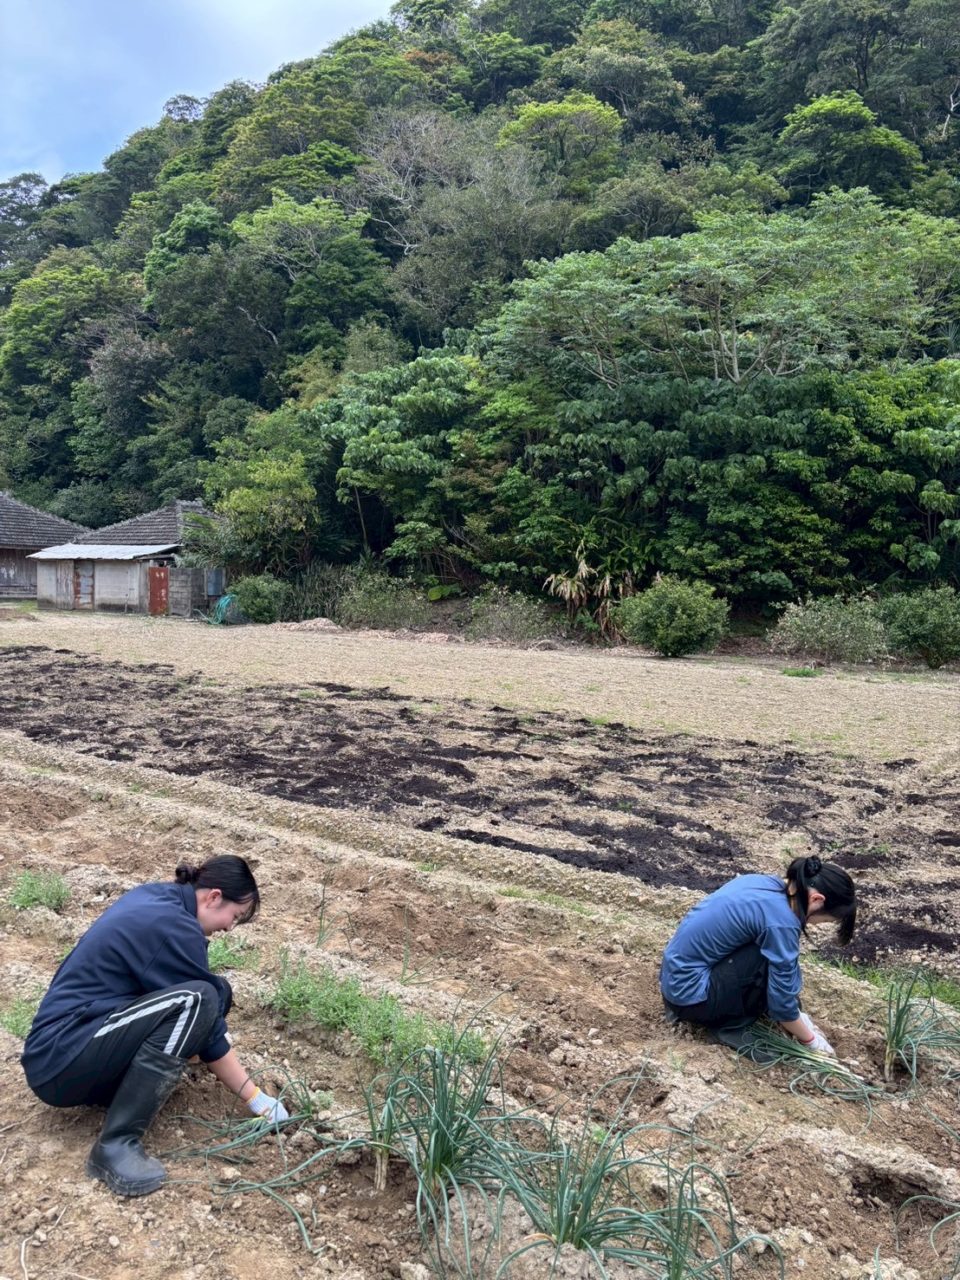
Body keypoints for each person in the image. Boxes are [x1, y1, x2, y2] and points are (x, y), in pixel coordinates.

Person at [22, 855, 289, 1197]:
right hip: (63, 1055)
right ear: (213, 896)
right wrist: (255, 1098)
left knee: (203, 998)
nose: (228, 928)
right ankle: (115, 1145)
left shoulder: (158, 898)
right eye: (233, 917)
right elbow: (205, 1021)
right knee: (202, 998)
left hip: (66, 1048)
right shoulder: (172, 926)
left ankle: (117, 1097)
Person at [660, 855, 857, 1059]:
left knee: (772, 953)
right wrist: (810, 1040)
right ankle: (727, 1025)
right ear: (816, 899)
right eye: (821, 920)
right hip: (692, 999)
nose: (814, 925)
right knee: (766, 960)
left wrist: (798, 1013)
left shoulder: (763, 883)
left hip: (674, 979)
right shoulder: (782, 922)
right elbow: (782, 1005)